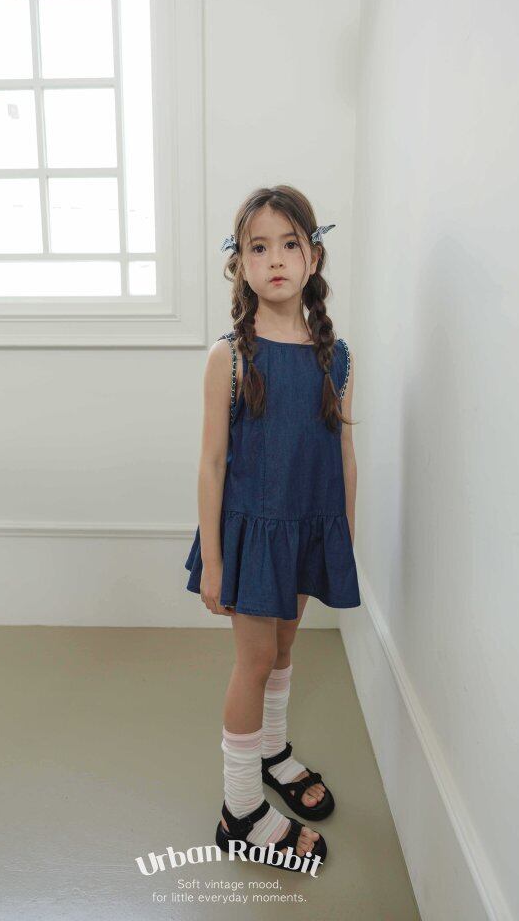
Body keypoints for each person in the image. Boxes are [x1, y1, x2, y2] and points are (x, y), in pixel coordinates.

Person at [184, 184, 361, 873]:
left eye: (290, 244)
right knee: (254, 662)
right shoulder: (230, 356)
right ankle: (240, 812)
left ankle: (273, 750)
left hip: (307, 529)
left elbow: (343, 454)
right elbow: (212, 463)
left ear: (314, 257)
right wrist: (216, 561)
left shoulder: (336, 357)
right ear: (241, 265)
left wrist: (341, 538)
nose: (277, 259)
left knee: (286, 648)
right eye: (260, 247)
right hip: (252, 539)